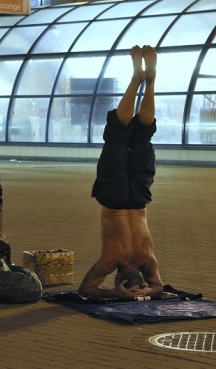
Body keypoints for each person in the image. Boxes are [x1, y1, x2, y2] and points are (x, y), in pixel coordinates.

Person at [78, 45, 164, 298]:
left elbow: (87, 289)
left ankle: (143, 80)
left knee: (126, 135)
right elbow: (157, 287)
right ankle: (146, 80)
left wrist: (120, 295)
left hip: (121, 198)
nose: (142, 286)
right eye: (143, 286)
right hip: (134, 199)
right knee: (137, 136)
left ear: (119, 281)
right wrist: (139, 292)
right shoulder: (146, 261)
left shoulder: (114, 260)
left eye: (134, 286)